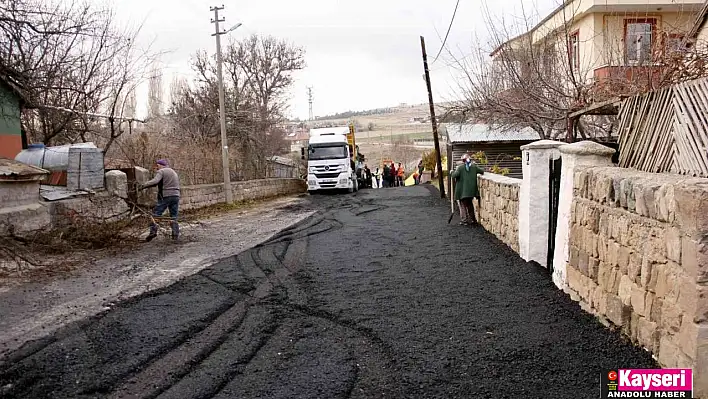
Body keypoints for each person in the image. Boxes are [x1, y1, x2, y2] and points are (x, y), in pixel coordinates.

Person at [139, 159, 181, 241]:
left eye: (157, 166)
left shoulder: (161, 171)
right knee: (173, 216)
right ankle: (175, 234)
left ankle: (153, 232)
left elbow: (155, 181)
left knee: (155, 214)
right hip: (176, 195)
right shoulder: (173, 171)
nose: (157, 168)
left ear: (159, 165)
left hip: (166, 195)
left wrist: (142, 186)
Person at [450, 153, 484, 226]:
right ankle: (472, 220)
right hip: (471, 192)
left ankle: (465, 220)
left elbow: (454, 176)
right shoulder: (474, 167)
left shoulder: (460, 168)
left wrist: (451, 172)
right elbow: (482, 171)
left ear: (463, 160)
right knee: (469, 204)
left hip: (462, 192)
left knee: (463, 205)